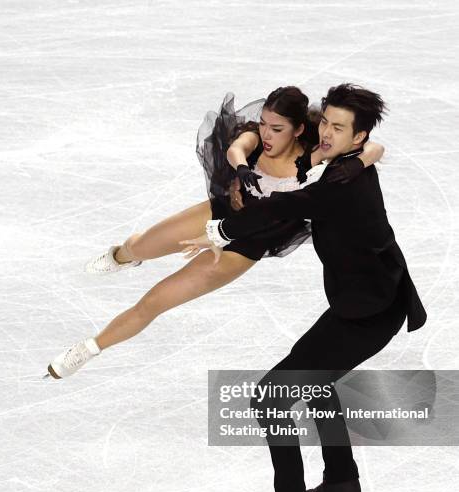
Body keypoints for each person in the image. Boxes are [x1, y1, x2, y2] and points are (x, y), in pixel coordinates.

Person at [181, 83, 427, 492]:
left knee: (271, 396)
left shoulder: (339, 183)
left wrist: (220, 230)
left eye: (339, 128)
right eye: (325, 123)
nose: (327, 133)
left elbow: (287, 207)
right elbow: (366, 146)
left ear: (356, 138)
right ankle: (341, 481)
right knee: (313, 383)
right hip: (362, 301)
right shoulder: (340, 156)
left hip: (371, 312)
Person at [45, 87, 384, 379]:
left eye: (277, 129)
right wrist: (240, 168)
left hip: (247, 244)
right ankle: (123, 256)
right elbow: (237, 148)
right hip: (221, 214)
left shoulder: (317, 155)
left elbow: (373, 148)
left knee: (154, 301)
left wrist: (356, 164)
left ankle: (88, 349)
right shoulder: (255, 140)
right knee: (141, 245)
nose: (267, 134)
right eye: (264, 124)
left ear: (297, 130)